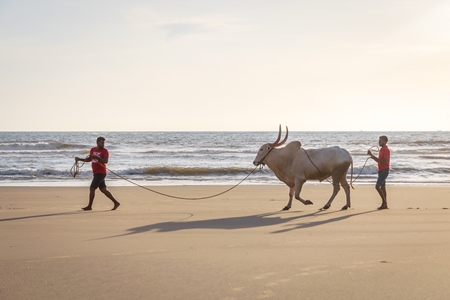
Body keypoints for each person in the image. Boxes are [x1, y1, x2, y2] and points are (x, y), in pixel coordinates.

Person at [75, 137, 120, 211]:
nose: (103, 144)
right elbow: (89, 159)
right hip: (96, 172)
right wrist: (80, 159)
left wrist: (97, 157)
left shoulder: (105, 151)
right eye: (102, 143)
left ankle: (89, 206)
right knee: (103, 189)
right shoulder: (93, 150)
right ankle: (116, 203)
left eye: (104, 143)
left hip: (101, 172)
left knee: (92, 188)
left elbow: (105, 161)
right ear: (97, 142)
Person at [367, 135, 390, 210]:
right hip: (381, 170)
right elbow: (378, 161)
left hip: (384, 170)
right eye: (379, 140)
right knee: (383, 188)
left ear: (385, 141)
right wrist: (372, 156)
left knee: (377, 186)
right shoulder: (381, 150)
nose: (379, 142)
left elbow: (384, 161)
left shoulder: (386, 150)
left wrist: (373, 156)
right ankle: (384, 204)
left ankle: (384, 203)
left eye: (380, 141)